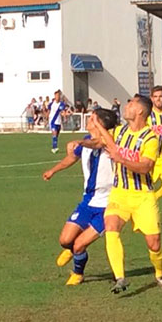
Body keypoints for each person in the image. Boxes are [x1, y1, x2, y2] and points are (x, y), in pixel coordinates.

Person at [89, 95, 162, 293]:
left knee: (154, 243)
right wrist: (83, 141)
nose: (127, 106)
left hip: (143, 196)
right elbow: (106, 142)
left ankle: (160, 273)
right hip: (119, 194)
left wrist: (121, 159)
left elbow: (145, 167)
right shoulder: (120, 131)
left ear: (140, 111)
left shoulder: (150, 138)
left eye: (131, 104)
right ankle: (120, 278)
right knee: (111, 226)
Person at [42, 109, 119, 285]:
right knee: (65, 240)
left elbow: (98, 143)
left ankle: (78, 273)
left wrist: (80, 142)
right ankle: (72, 250)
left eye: (92, 118)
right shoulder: (85, 142)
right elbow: (71, 158)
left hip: (108, 206)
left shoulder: (111, 142)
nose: (88, 120)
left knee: (79, 245)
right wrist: (53, 170)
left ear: (100, 123)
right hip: (87, 201)